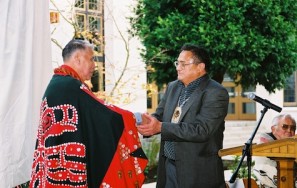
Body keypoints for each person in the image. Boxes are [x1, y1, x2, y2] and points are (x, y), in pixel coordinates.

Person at [29, 39, 148, 188]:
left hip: (56, 168)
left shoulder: (57, 83)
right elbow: (105, 114)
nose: (94, 65)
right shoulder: (71, 86)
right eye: (91, 58)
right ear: (78, 59)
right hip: (67, 167)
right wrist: (136, 118)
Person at [137, 44, 229, 188]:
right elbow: (160, 114)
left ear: (200, 67)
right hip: (168, 166)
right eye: (177, 63)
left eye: (183, 64)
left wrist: (160, 127)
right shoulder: (173, 87)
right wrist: (149, 122)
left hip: (198, 172)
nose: (178, 68)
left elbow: (202, 130)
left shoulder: (215, 92)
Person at [253, 114, 297, 188]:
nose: (289, 130)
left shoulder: (290, 147)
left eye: (293, 128)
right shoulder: (264, 149)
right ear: (273, 129)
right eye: (285, 126)